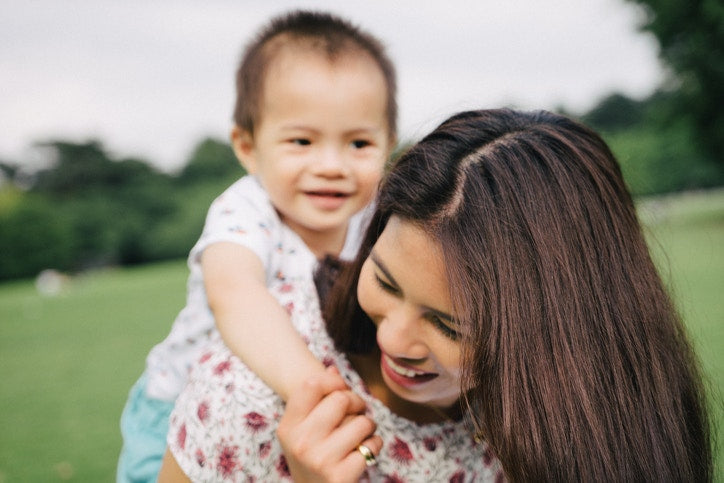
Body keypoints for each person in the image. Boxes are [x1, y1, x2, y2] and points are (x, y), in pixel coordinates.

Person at [158, 108, 712, 482]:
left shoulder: (600, 421)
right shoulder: (249, 397)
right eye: (386, 280)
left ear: (562, 330)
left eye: (449, 325)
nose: (391, 337)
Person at [118, 10, 396, 482]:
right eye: (302, 140)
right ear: (248, 147)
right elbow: (236, 296)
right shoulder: (245, 212)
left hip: (277, 411)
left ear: (388, 143)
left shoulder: (374, 219)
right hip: (181, 405)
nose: (331, 165)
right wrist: (318, 391)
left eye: (359, 144)